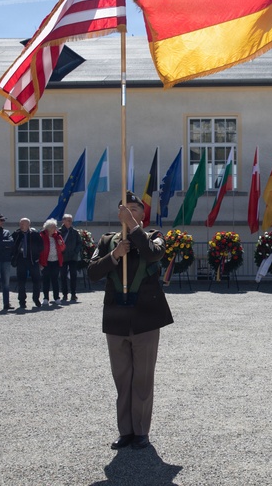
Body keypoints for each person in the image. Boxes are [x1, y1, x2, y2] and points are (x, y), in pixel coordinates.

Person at [87, 191, 174, 450]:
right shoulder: (106, 241)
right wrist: (114, 255)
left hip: (146, 318)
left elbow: (153, 255)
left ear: (142, 214)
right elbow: (91, 273)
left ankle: (141, 431)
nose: (129, 213)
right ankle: (125, 431)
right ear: (118, 214)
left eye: (134, 209)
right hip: (116, 319)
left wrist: (134, 229)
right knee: (122, 377)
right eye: (125, 209)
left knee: (143, 378)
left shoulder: (154, 236)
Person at [12, 217, 43, 309]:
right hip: (21, 260)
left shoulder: (35, 234)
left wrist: (35, 253)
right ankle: (22, 301)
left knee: (36, 281)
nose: (21, 226)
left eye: (23, 224)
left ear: (28, 225)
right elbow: (12, 245)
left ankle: (36, 299)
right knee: (21, 282)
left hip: (33, 260)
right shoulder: (16, 234)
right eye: (20, 224)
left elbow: (41, 246)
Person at [39, 218, 65, 304]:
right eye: (54, 227)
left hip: (56, 261)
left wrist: (61, 244)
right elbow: (39, 250)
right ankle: (45, 298)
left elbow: (63, 248)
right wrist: (40, 263)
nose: (56, 228)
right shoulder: (42, 236)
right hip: (45, 262)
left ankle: (57, 298)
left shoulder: (58, 236)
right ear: (49, 228)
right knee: (45, 280)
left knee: (55, 280)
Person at [59, 214, 84, 302]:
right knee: (63, 276)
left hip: (73, 257)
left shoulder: (74, 232)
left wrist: (76, 251)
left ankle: (73, 294)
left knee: (73, 275)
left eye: (71, 220)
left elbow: (79, 243)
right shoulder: (59, 232)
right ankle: (64, 294)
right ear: (63, 221)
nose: (70, 222)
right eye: (68, 220)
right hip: (63, 257)